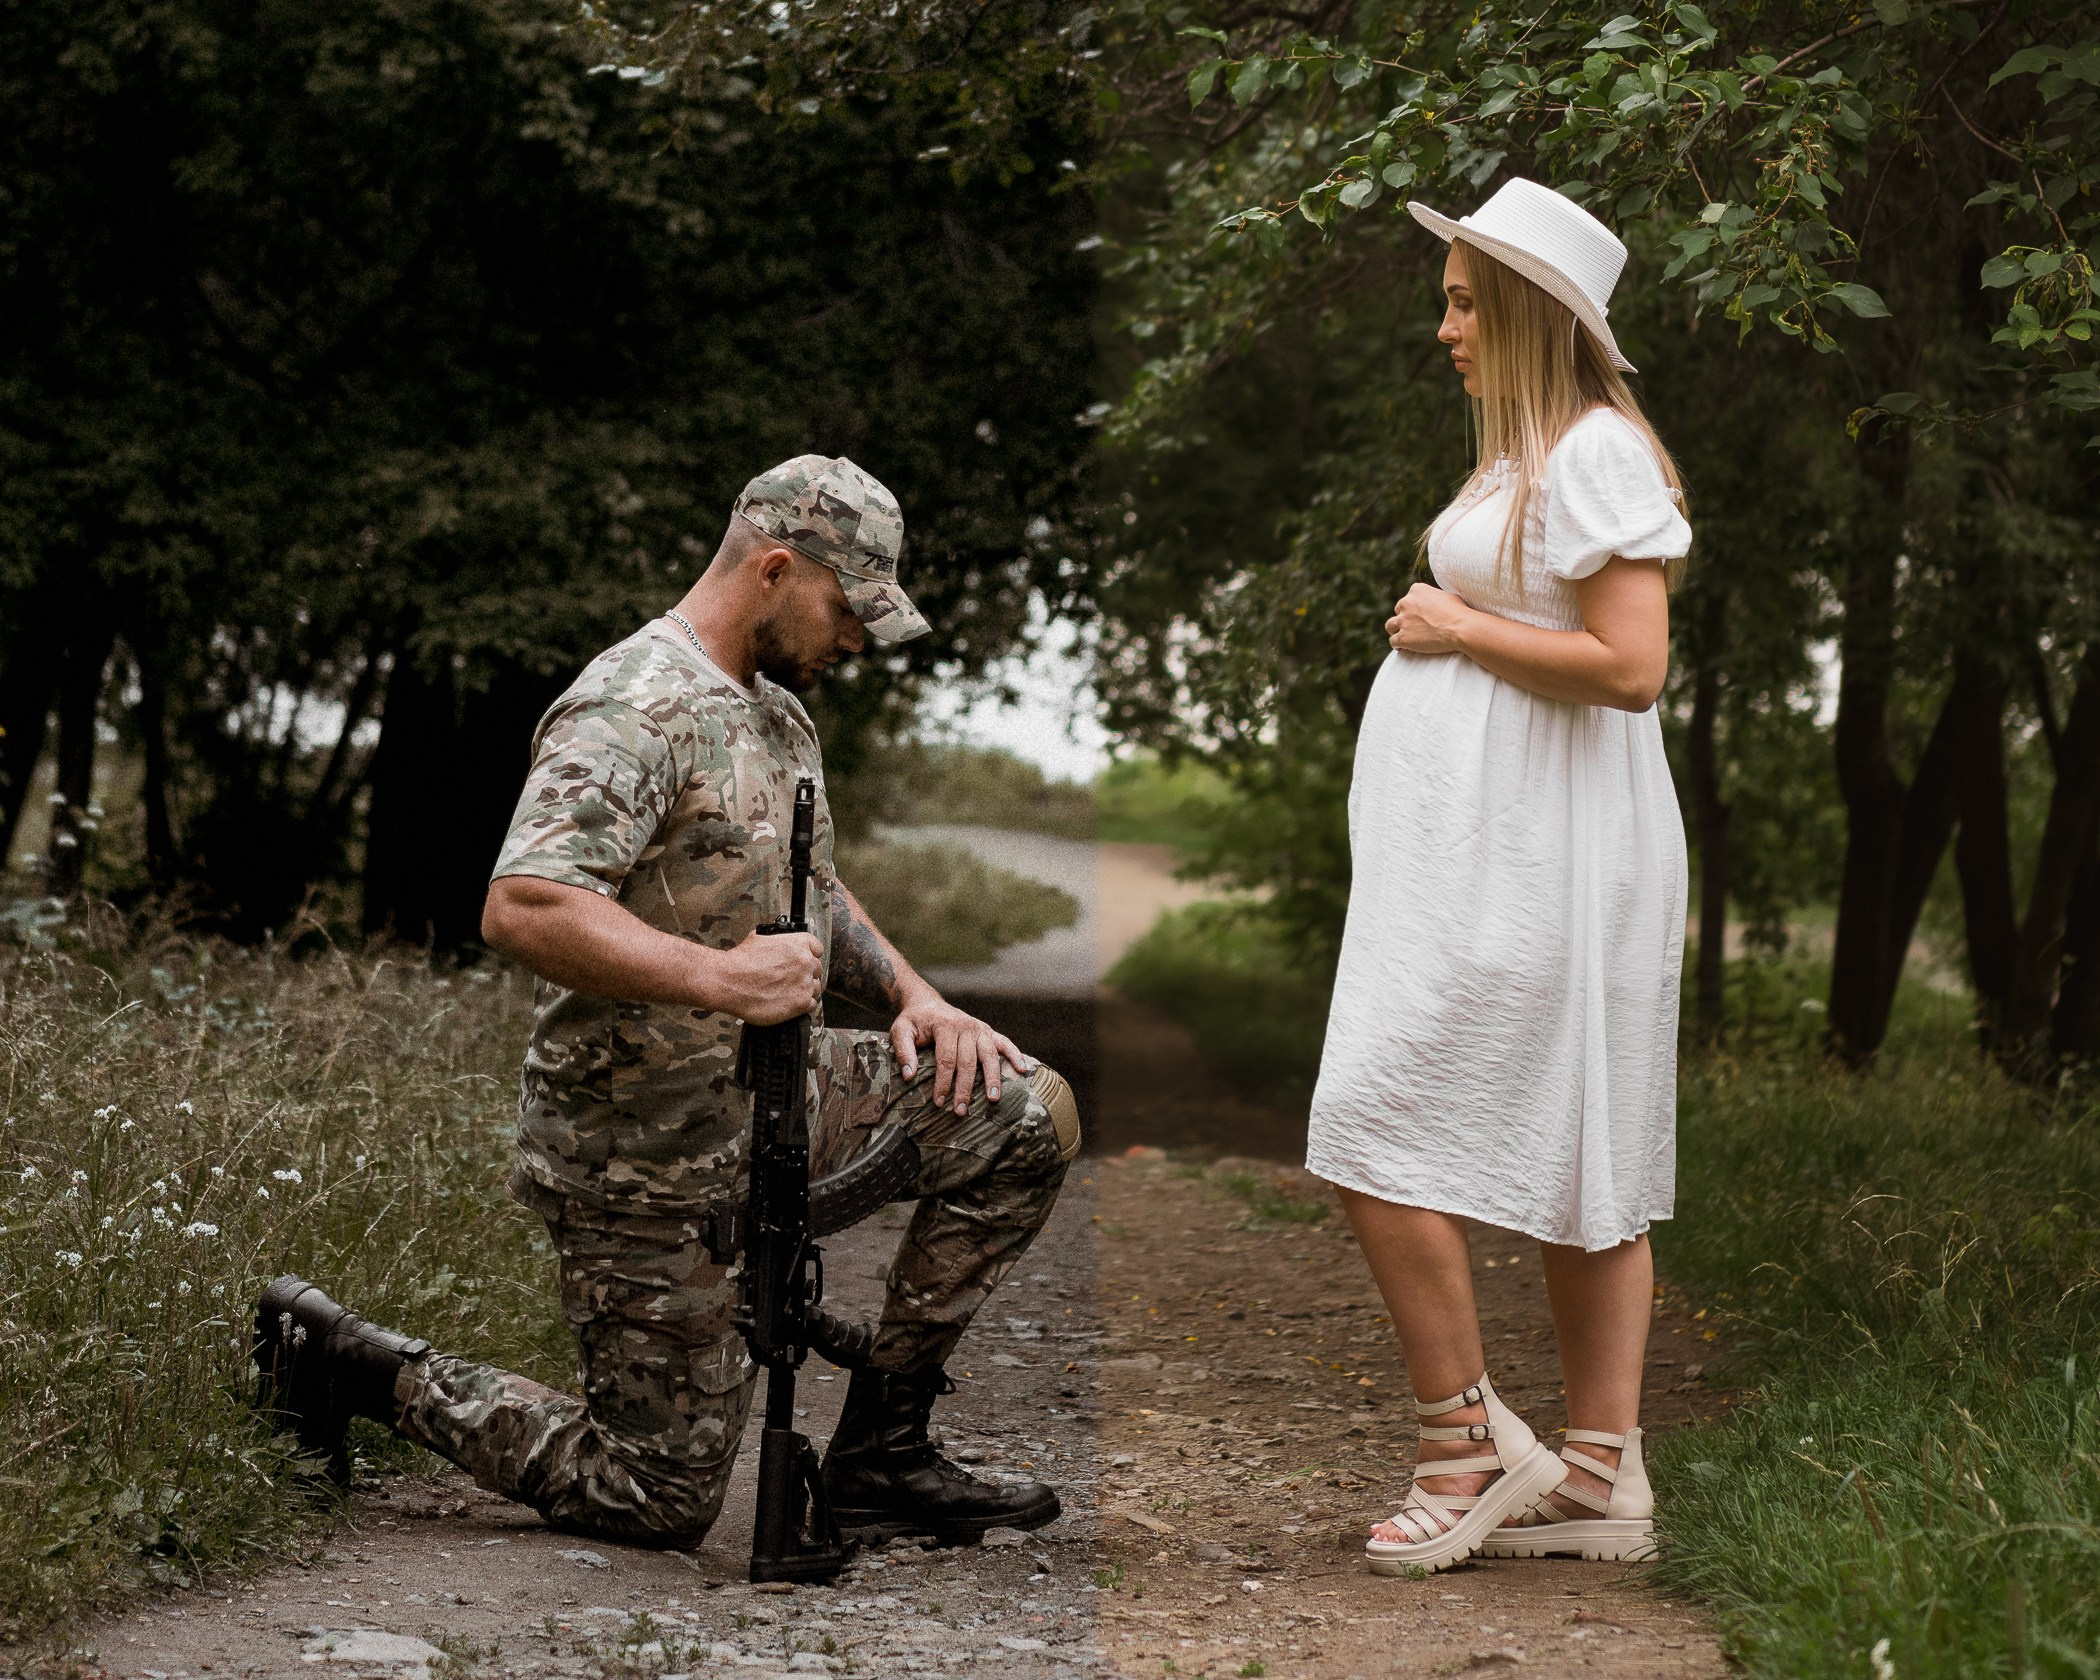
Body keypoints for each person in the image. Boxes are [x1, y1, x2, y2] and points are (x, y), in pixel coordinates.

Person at [253, 455, 1083, 1550]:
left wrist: (919, 1001)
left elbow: (810, 890)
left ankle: (884, 1452)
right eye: (846, 611)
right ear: (777, 569)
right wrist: (723, 980)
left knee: (1019, 1110)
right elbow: (527, 905)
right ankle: (351, 1361)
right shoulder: (632, 702)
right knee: (655, 1499)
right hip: (634, 1142)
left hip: (773, 1096)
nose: (855, 642)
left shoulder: (778, 714)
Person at [1304, 178, 1692, 1575]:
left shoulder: (1591, 451)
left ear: (1528, 309)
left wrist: (1458, 626)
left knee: (1372, 1106)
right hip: (1512, 854)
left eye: (1467, 300)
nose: (1445, 325)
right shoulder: (1528, 454)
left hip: (1554, 865)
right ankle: (1601, 1480)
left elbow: (1634, 667)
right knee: (1585, 1151)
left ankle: (1466, 1444)